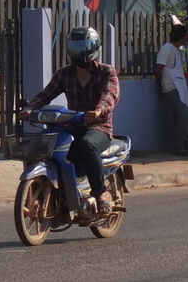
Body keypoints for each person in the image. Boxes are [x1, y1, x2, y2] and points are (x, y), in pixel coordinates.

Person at [20, 27, 121, 215]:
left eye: (84, 47)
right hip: (72, 125)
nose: (80, 52)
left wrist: (98, 110)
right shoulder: (64, 74)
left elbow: (110, 95)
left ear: (94, 47)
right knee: (45, 145)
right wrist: (29, 108)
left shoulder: (107, 72)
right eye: (76, 47)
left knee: (87, 144)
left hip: (99, 127)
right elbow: (46, 94)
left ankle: (100, 194)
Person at [154, 24, 188, 155]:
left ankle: (181, 146)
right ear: (181, 37)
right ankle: (180, 147)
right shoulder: (167, 49)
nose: (187, 38)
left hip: (176, 86)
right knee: (182, 115)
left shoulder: (175, 50)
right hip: (171, 86)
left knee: (180, 117)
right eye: (186, 36)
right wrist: (160, 85)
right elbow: (158, 68)